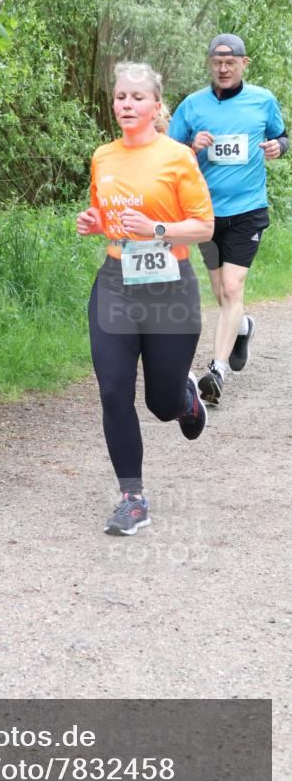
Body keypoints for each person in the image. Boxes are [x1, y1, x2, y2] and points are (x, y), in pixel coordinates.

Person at [77, 62, 215, 536]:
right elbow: (107, 214)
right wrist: (95, 222)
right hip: (116, 282)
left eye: (137, 97)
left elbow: (204, 226)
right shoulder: (103, 156)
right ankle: (132, 498)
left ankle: (185, 401)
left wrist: (157, 228)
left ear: (157, 106)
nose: (127, 105)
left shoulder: (177, 156)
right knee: (114, 391)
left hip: (169, 285)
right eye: (120, 97)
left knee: (161, 403)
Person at [168, 34, 288, 404]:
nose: (223, 68)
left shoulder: (263, 100)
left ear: (243, 63)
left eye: (230, 62)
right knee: (222, 294)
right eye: (217, 62)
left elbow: (283, 136)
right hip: (205, 214)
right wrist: (192, 147)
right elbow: (168, 154)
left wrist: (278, 147)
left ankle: (217, 370)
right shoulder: (192, 105)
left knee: (233, 289)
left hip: (248, 211)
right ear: (210, 63)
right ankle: (243, 326)